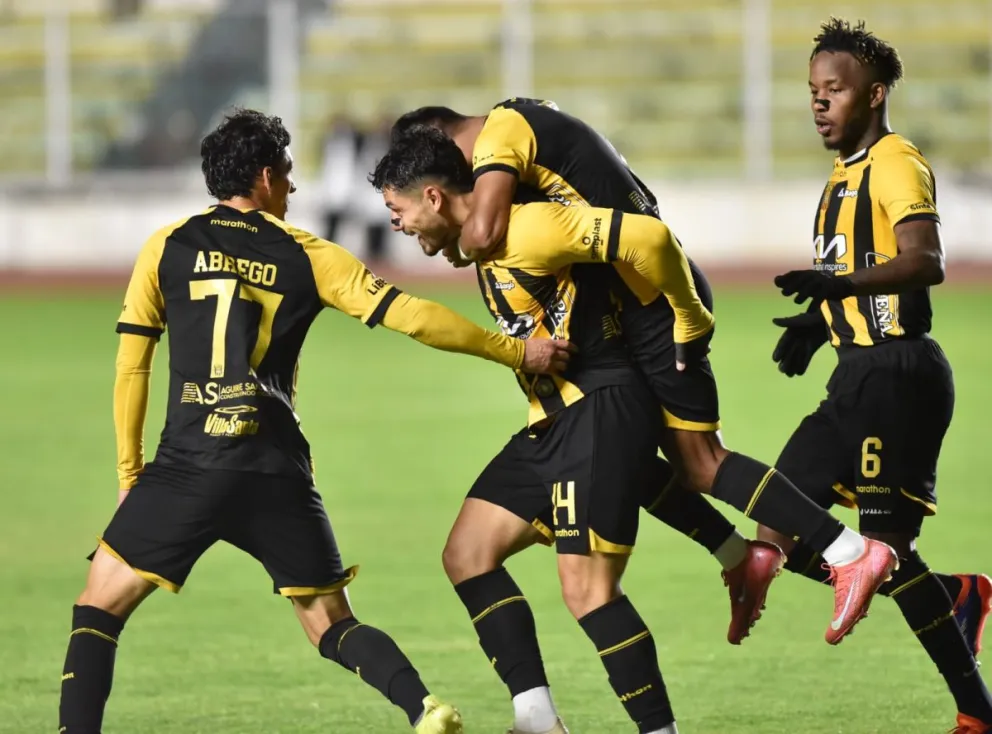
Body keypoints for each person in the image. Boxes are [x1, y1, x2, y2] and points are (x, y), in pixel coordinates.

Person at [56, 108, 572, 734]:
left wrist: (129, 474)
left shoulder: (167, 246)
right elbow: (414, 317)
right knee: (332, 623)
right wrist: (516, 348)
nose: (295, 191)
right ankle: (424, 708)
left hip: (188, 464)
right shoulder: (310, 255)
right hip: (275, 465)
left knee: (98, 607)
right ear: (266, 176)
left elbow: (131, 367)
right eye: (290, 176)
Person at [370, 126, 894, 734]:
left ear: (433, 196)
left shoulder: (528, 227)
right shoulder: (481, 241)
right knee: (467, 554)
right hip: (554, 420)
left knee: (589, 588)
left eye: (397, 209)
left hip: (598, 408)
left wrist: (690, 316)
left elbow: (647, 236)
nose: (397, 226)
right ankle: (535, 718)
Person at [761, 19, 992, 734]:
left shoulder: (895, 161)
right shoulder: (840, 178)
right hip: (853, 376)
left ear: (875, 94)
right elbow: (859, 272)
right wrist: (819, 320)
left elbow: (926, 262)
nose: (819, 102)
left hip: (898, 377)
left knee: (883, 546)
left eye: (835, 89)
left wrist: (835, 291)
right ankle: (956, 595)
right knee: (777, 530)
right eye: (813, 90)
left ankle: (977, 713)